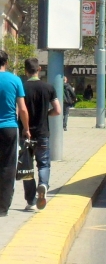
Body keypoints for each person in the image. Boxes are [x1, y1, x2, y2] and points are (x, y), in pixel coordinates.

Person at [21, 57, 60, 212]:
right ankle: (43, 184)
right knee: (43, 163)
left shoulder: (21, 87)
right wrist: (45, 114)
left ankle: (30, 201)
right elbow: (57, 110)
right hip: (43, 132)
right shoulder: (48, 88)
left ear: (25, 70)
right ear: (39, 69)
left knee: (27, 168)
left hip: (26, 133)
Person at [0, 50, 29, 217]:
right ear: (7, 63)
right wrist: (26, 128)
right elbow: (23, 109)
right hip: (10, 128)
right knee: (8, 166)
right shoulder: (15, 80)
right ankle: (3, 207)